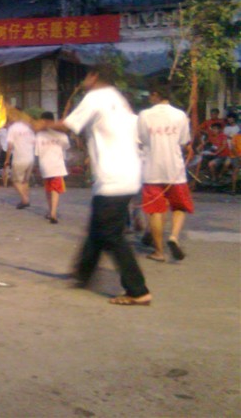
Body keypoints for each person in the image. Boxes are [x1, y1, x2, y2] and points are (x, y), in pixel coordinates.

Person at [45, 64, 151, 306]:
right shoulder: (119, 100)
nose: (83, 81)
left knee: (111, 235)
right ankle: (83, 274)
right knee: (97, 229)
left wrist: (42, 125)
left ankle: (138, 290)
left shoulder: (96, 97)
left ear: (94, 76)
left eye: (85, 76)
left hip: (114, 178)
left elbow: (68, 125)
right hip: (126, 175)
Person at [137, 82, 193, 262]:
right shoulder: (180, 115)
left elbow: (141, 140)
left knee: (155, 211)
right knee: (179, 207)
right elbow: (183, 141)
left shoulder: (145, 115)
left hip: (152, 169)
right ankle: (174, 237)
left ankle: (159, 252)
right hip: (175, 170)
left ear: (155, 94)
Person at [35, 111, 70, 224]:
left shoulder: (39, 135)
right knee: (55, 190)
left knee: (48, 190)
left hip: (45, 166)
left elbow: (37, 153)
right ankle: (53, 213)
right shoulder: (61, 134)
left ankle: (51, 211)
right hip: (57, 166)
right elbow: (66, 147)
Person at [5, 108, 35, 209]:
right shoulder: (28, 127)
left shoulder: (13, 128)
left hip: (19, 158)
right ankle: (24, 199)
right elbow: (33, 142)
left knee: (15, 181)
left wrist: (7, 160)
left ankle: (25, 199)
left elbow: (10, 146)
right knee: (25, 181)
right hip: (30, 157)